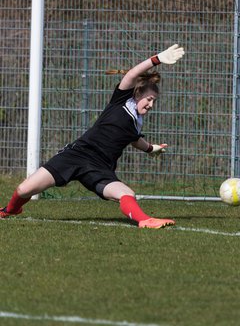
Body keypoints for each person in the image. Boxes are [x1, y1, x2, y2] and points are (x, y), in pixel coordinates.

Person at [0, 44, 184, 228]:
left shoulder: (136, 123)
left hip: (99, 167)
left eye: (154, 101)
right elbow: (131, 75)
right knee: (24, 189)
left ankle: (145, 220)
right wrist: (157, 59)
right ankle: (10, 210)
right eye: (149, 99)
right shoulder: (121, 101)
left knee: (127, 193)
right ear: (137, 94)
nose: (151, 105)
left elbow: (134, 140)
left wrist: (152, 148)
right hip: (76, 155)